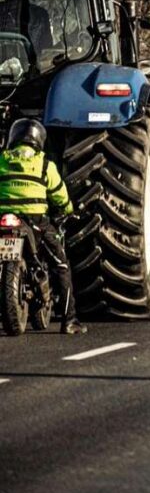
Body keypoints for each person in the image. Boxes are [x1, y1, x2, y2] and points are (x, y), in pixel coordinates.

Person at [0, 119, 84, 333]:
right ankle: (70, 321)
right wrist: (68, 210)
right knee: (61, 266)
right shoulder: (45, 164)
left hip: (4, 218)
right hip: (35, 221)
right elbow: (59, 195)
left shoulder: (1, 159)